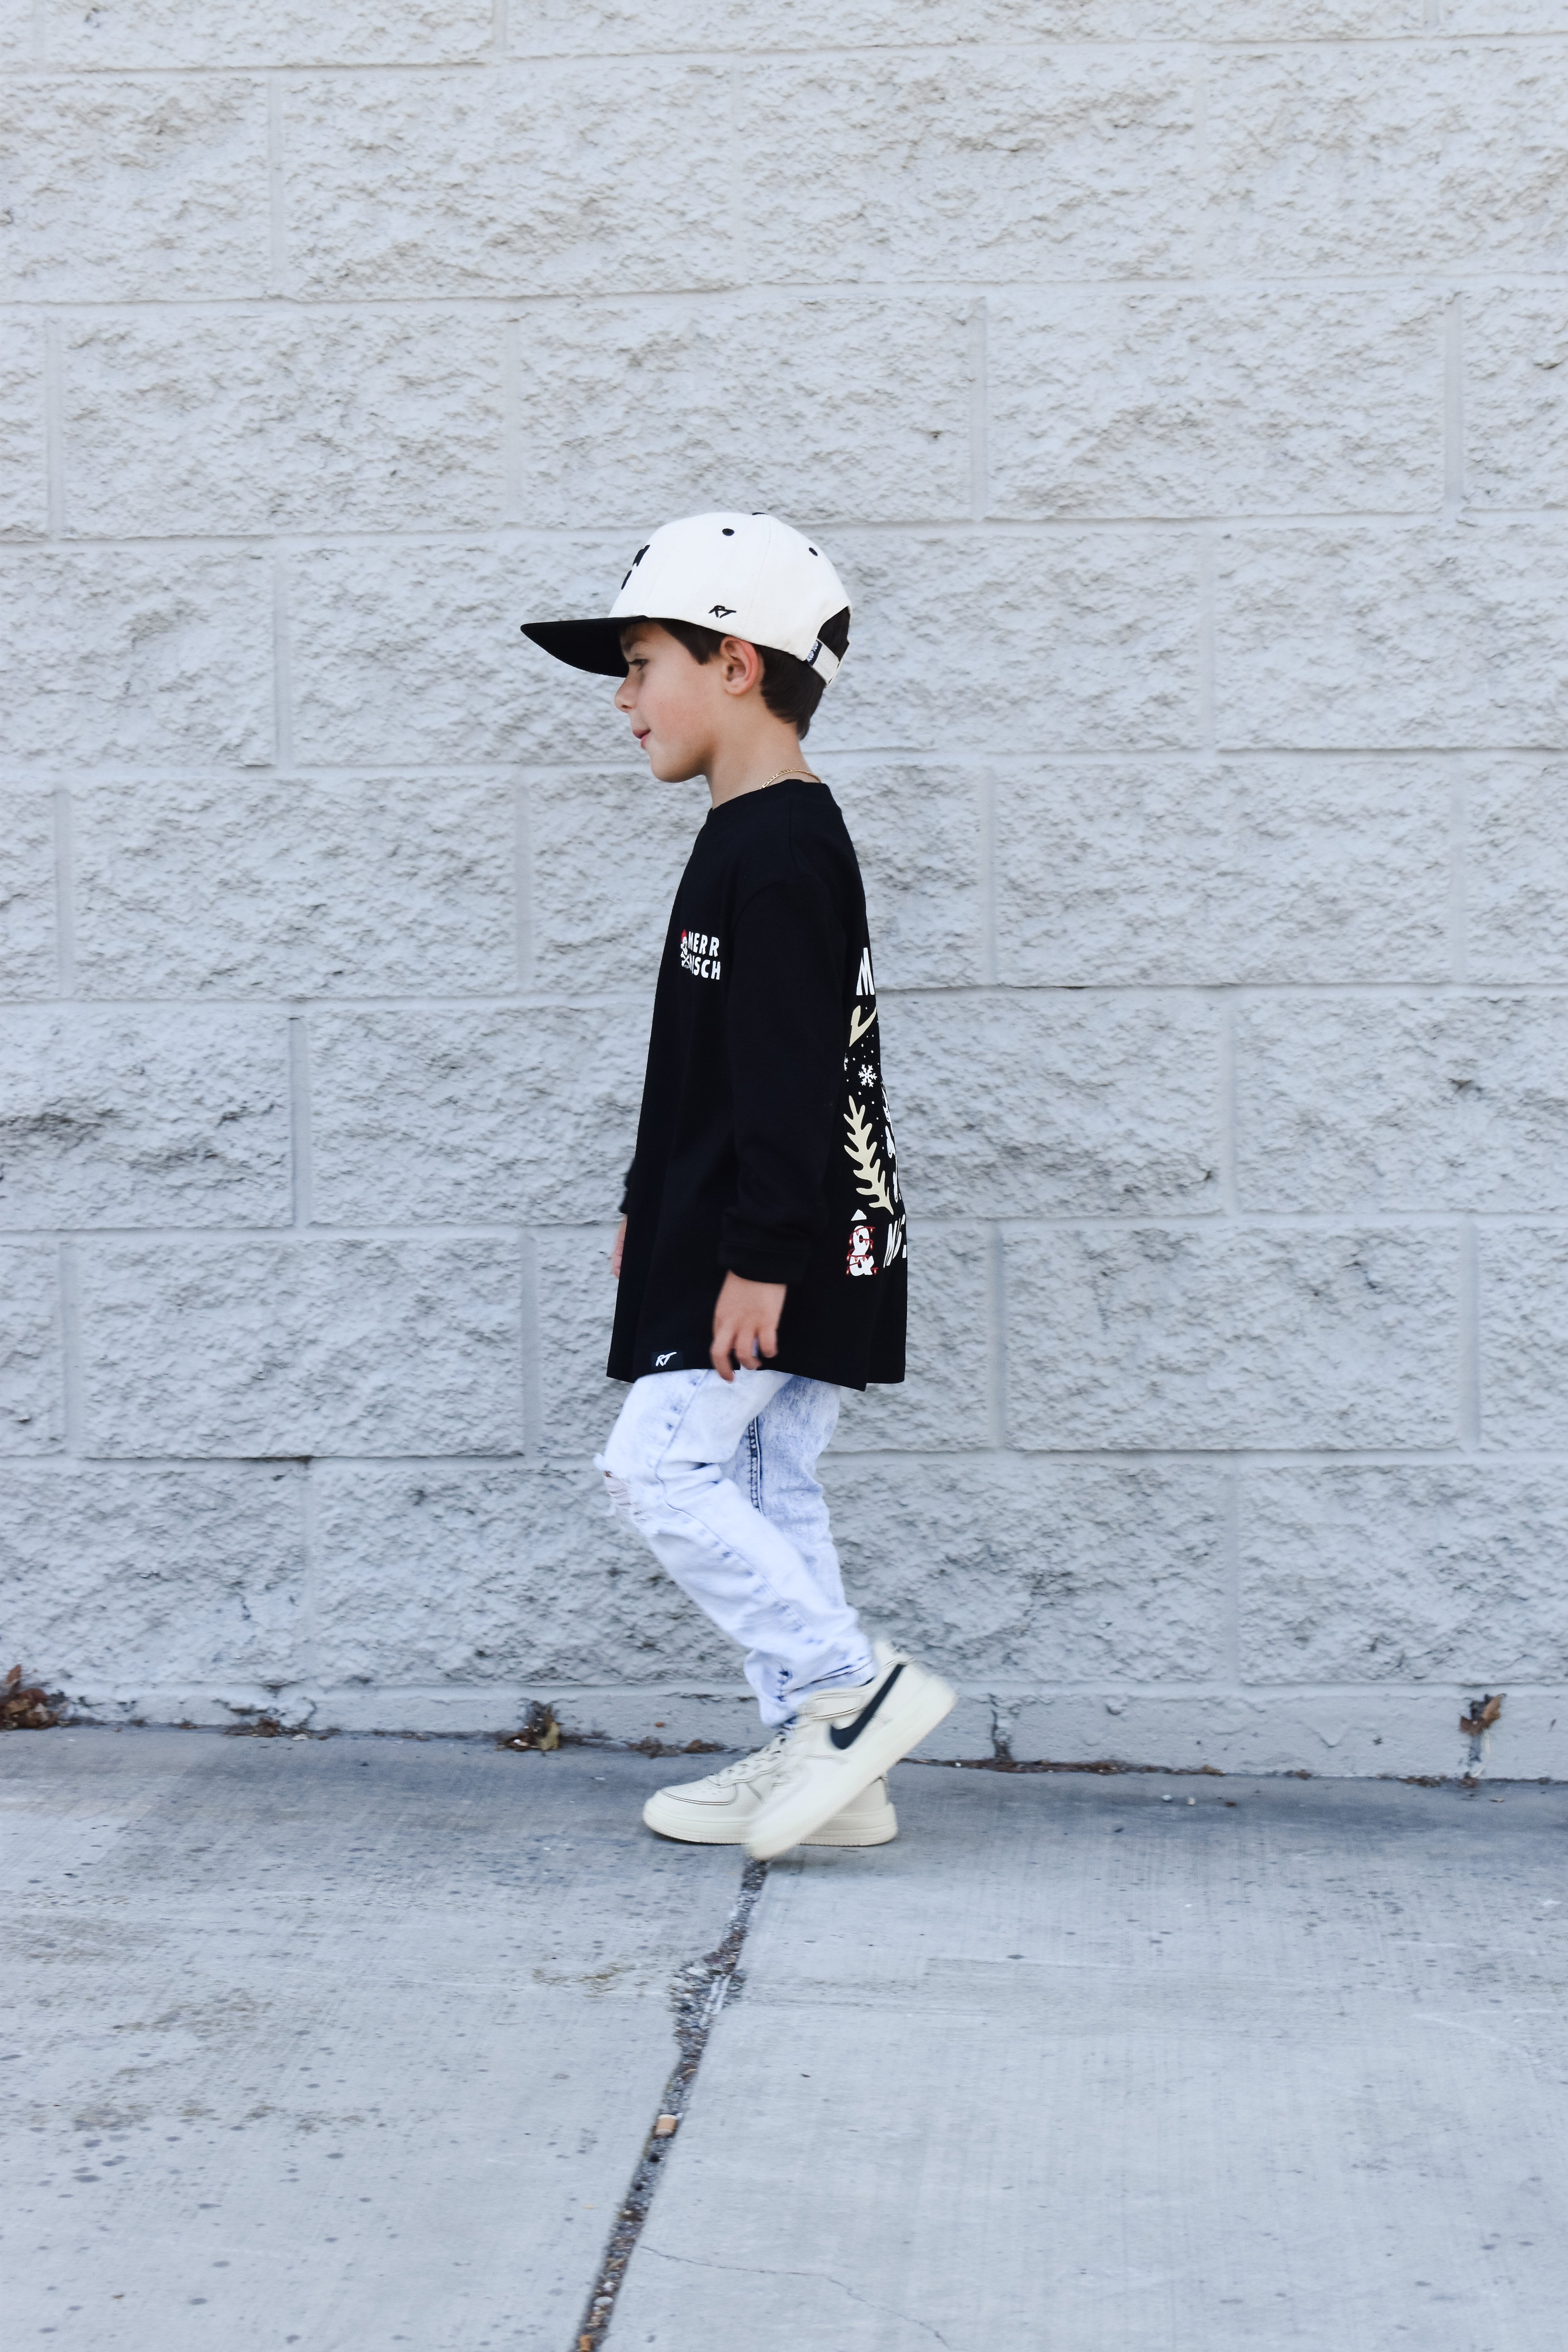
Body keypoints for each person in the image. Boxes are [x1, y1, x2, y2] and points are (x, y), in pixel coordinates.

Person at [522, 512, 955, 1860]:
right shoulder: (750, 838)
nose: (622, 696)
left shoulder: (777, 852)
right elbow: (715, 1068)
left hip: (780, 1247)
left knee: (658, 1472)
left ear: (736, 665)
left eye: (642, 661)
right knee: (767, 1482)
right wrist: (650, 1200)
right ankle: (829, 1774)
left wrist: (760, 1253)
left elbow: (792, 1088)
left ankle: (848, 1693)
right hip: (764, 1233)